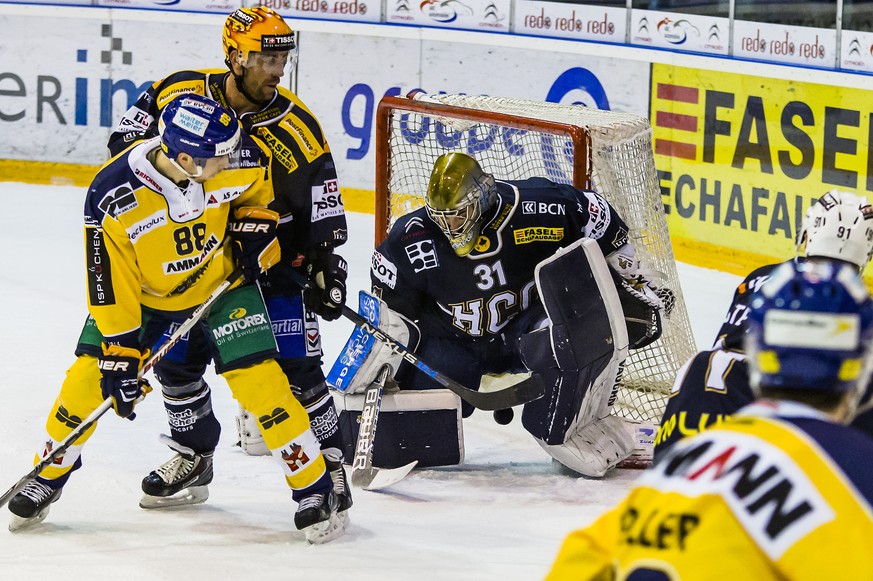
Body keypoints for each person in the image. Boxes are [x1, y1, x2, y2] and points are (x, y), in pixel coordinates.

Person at [8, 94, 344, 543]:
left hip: (223, 289)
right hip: (144, 300)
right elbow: (108, 283)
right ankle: (48, 474)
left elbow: (256, 190)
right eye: (219, 157)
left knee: (261, 384)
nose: (230, 161)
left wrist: (255, 225)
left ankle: (316, 489)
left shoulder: (233, 157)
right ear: (184, 158)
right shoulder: (113, 196)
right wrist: (122, 354)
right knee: (85, 384)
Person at [107, 6, 351, 514]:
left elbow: (323, 199)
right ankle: (193, 454)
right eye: (265, 57)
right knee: (177, 366)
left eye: (283, 57)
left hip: (273, 266)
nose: (277, 69)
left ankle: (328, 464)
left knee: (298, 371)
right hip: (190, 262)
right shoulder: (176, 91)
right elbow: (124, 151)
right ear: (235, 56)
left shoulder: (300, 127)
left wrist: (327, 262)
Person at [332, 152, 670, 478]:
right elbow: (389, 321)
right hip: (454, 347)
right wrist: (377, 369)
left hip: (522, 334)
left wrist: (628, 273)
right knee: (418, 429)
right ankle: (329, 420)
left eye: (459, 214)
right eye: (441, 216)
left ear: (482, 199)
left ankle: (576, 423)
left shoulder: (539, 207)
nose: (450, 225)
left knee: (578, 326)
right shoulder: (411, 240)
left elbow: (597, 213)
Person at [546, 259, 873, 579]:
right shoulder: (851, 466)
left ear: (757, 357)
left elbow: (581, 557)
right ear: (860, 367)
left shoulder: (690, 459)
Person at [654, 189, 873, 461]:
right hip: (778, 432)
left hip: (694, 408)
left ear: (808, 233)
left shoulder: (760, 279)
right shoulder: (855, 305)